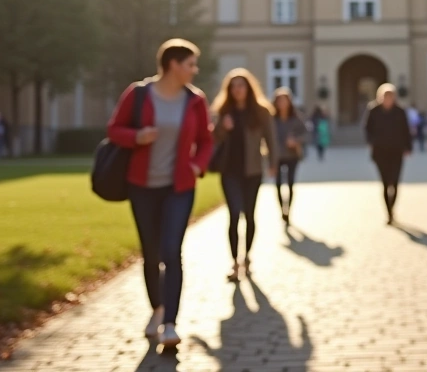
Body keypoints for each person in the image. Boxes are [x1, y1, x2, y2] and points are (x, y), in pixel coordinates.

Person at [105, 38, 213, 349]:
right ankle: (157, 309)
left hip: (179, 187)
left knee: (171, 251)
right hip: (142, 187)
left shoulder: (195, 100)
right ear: (173, 65)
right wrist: (137, 136)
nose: (195, 70)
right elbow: (114, 130)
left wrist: (197, 166)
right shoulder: (138, 94)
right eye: (190, 64)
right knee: (150, 254)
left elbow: (206, 141)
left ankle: (170, 324)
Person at [211, 69, 278, 281]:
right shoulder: (223, 111)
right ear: (229, 90)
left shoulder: (261, 111)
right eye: (234, 86)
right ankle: (234, 262)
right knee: (233, 214)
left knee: (249, 215)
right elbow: (213, 139)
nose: (238, 89)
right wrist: (223, 127)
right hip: (229, 170)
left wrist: (273, 163)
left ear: (248, 88)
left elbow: (271, 138)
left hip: (253, 170)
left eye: (241, 85)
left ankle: (247, 257)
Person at [363, 83, 412, 224]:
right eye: (385, 96)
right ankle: (389, 213)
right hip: (380, 152)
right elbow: (367, 129)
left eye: (391, 96)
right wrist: (371, 142)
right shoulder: (374, 111)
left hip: (396, 151)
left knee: (395, 182)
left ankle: (392, 207)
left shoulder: (400, 112)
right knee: (385, 183)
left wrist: (408, 147)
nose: (388, 99)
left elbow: (406, 130)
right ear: (380, 97)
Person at [272, 88, 308, 225]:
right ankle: (282, 208)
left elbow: (305, 133)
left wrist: (296, 140)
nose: (282, 103)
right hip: (277, 156)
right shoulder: (272, 118)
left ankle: (289, 210)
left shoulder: (296, 117)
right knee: (278, 184)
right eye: (279, 100)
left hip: (292, 155)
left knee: (291, 183)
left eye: (284, 100)